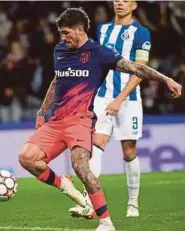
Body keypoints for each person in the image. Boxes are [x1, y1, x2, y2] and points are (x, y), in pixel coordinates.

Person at [18, 7, 182, 231]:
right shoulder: (60, 50)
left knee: (81, 167)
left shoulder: (100, 53)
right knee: (27, 158)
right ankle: (66, 186)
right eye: (61, 34)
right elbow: (57, 81)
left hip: (80, 120)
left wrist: (166, 80)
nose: (63, 38)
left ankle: (106, 222)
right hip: (56, 121)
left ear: (80, 29)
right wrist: (41, 112)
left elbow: (137, 68)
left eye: (66, 33)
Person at [69, 0, 151, 218]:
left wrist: (120, 99)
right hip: (102, 98)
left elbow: (141, 70)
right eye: (116, 0)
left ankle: (132, 204)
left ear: (134, 5)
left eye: (125, 0)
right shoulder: (103, 29)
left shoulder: (141, 33)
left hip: (129, 99)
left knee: (129, 150)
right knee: (96, 145)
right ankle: (89, 203)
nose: (119, 4)